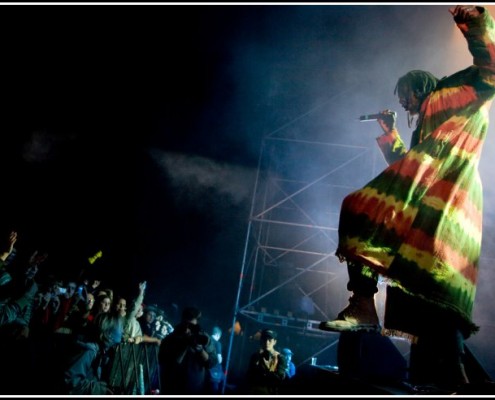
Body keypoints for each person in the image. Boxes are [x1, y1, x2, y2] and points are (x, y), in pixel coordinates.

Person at [319, 5, 495, 391]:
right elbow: (407, 163)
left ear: (418, 85)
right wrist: (389, 132)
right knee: (425, 302)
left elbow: (492, 69)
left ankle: (365, 305)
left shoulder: (454, 90)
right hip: (427, 200)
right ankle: (453, 379)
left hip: (450, 200)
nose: (403, 105)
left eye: (404, 97)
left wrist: (473, 20)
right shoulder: (428, 121)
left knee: (362, 209)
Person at [158, 306, 218, 394]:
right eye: (185, 325)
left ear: (197, 324)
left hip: (195, 390)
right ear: (182, 321)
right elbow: (163, 360)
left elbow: (212, 362)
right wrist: (184, 343)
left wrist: (200, 350)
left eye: (191, 326)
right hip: (172, 389)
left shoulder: (203, 338)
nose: (187, 329)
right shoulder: (172, 338)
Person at [245, 328, 288, 395]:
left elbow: (278, 380)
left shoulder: (280, 358)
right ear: (261, 340)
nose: (267, 342)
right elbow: (249, 376)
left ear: (274, 342)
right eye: (265, 339)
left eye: (269, 340)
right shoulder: (255, 356)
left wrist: (267, 369)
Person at [206, 326, 224, 394]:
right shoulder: (217, 343)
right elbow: (219, 360)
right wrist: (221, 358)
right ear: (217, 334)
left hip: (204, 370)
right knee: (223, 380)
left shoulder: (207, 339)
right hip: (213, 372)